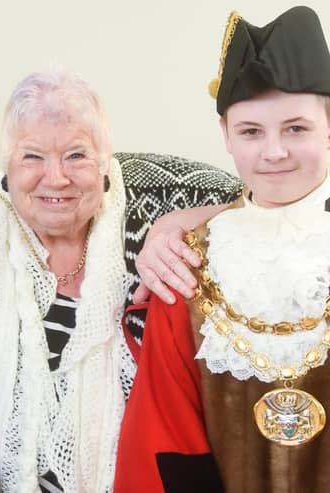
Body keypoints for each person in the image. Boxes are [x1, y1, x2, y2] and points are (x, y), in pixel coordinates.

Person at [0, 69, 240, 491]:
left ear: (106, 160)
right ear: (7, 165)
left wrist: (180, 220)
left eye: (77, 156)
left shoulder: (154, 204)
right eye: (32, 156)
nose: (56, 178)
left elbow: (257, 195)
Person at [115, 6, 330, 492]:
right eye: (251, 131)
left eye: (296, 128)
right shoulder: (190, 262)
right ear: (226, 137)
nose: (273, 151)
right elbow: (163, 436)